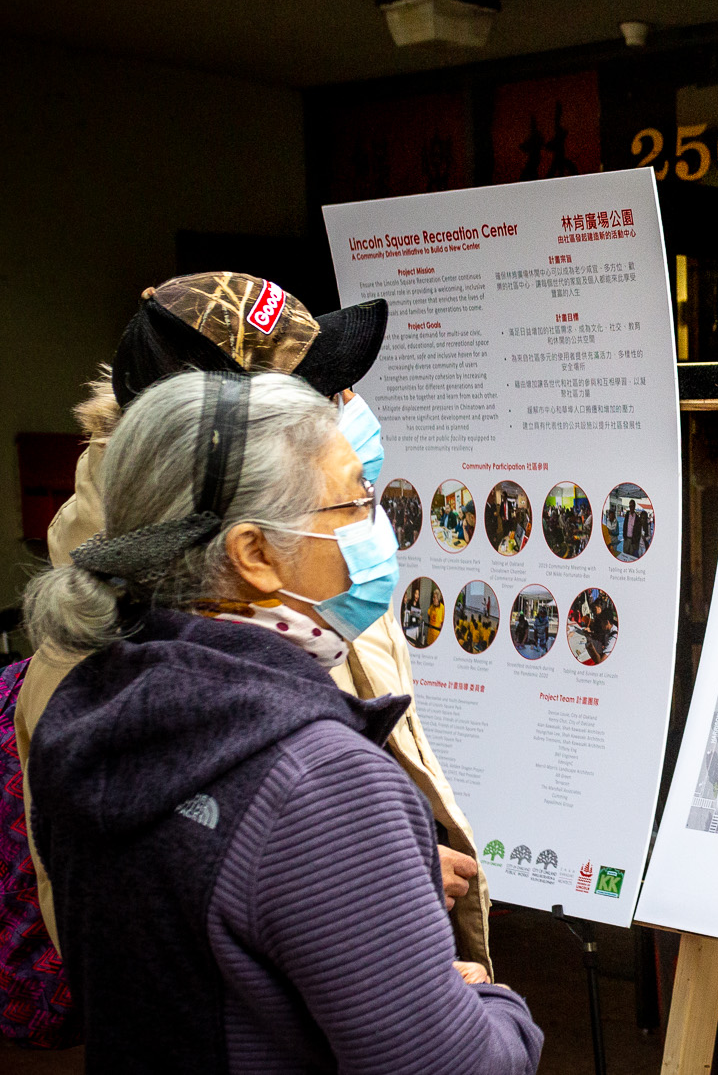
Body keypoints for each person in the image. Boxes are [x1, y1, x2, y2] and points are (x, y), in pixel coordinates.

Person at [25, 371, 542, 1071]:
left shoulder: (86, 714)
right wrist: (491, 1003)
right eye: (357, 500)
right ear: (255, 555)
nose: (377, 525)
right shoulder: (318, 775)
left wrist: (384, 891)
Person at [23, 272, 493, 975]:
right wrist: (374, 881)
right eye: (318, 394)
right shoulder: (97, 652)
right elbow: (138, 934)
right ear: (217, 426)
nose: (351, 409)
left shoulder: (318, 558)